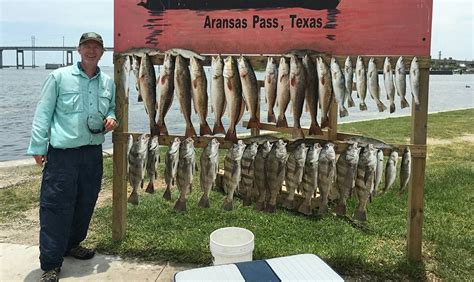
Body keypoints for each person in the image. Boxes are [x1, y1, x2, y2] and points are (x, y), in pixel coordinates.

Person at [27, 32, 116, 282]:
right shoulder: (58, 77)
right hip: (62, 155)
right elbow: (43, 112)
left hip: (92, 153)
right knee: (56, 206)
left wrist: (112, 118)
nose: (91, 50)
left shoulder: (108, 82)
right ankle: (51, 264)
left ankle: (72, 244)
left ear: (102, 52)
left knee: (86, 202)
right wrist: (38, 145)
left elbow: (112, 108)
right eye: (87, 46)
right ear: (79, 50)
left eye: (96, 47)